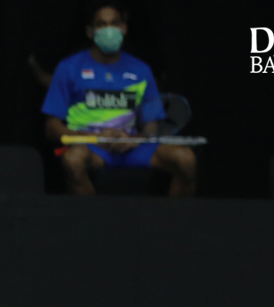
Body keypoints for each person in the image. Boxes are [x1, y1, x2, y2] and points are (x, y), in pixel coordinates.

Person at [41, 1, 196, 196]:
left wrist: (132, 140)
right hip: (91, 147)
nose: (109, 30)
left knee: (186, 159)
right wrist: (94, 138)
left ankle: (173, 216)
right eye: (101, 24)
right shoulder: (69, 68)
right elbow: (51, 127)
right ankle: (91, 215)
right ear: (90, 32)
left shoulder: (141, 70)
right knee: (73, 161)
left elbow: (151, 126)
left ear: (124, 28)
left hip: (131, 146)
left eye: (115, 23)